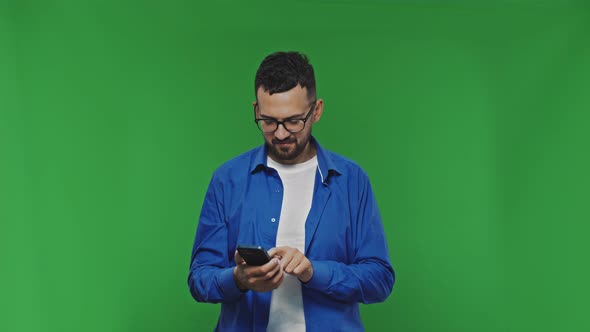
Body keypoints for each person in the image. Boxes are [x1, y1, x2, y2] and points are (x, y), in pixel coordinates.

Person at [188, 51, 394, 331]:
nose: (281, 134)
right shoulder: (228, 180)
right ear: (256, 111)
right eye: (269, 121)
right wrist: (238, 278)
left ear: (317, 110)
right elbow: (200, 279)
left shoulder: (351, 181)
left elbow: (379, 280)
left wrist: (313, 272)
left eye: (294, 121)